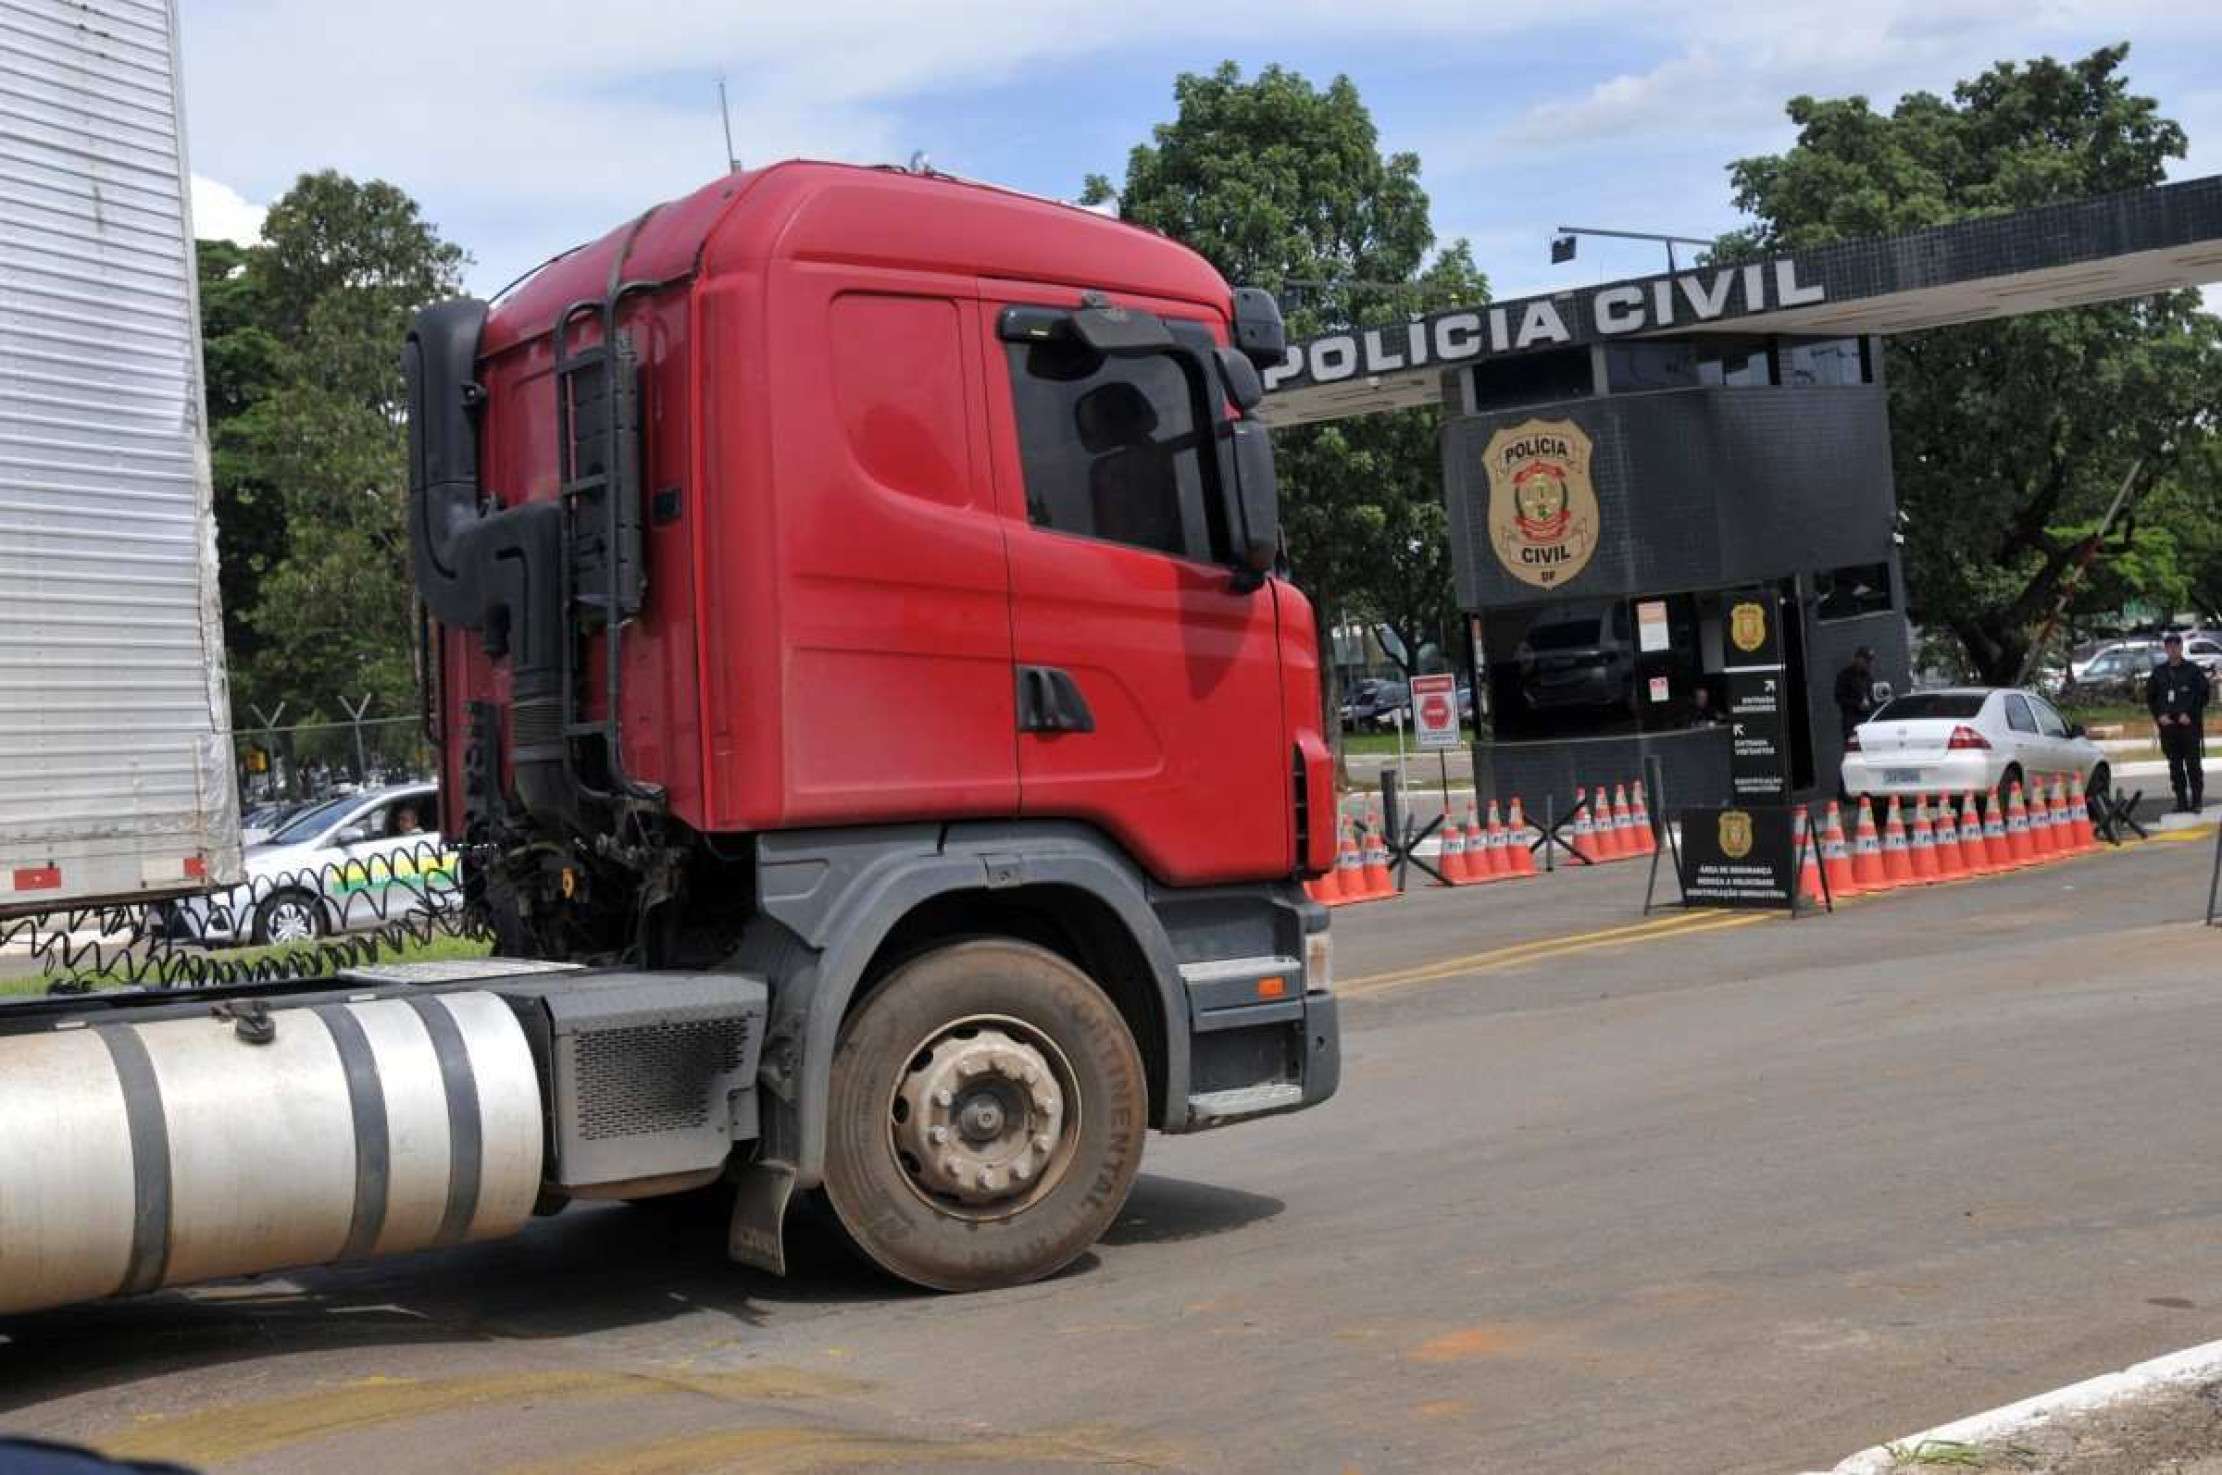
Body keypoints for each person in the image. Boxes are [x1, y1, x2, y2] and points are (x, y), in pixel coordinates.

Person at [2146, 633, 2209, 812]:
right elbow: (2151, 698)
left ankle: (2196, 801)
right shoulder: (2159, 673)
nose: (2172, 650)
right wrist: (2160, 716)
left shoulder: (2193, 670)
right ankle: (2181, 801)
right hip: (2168, 727)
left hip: (2188, 725)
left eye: (2176, 646)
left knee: (2193, 766)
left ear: (2181, 648)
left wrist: (2190, 714)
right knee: (2175, 766)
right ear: (2165, 649)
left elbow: (2203, 695)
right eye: (2169, 647)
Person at [1833, 647, 1877, 739]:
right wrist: (1857, 704)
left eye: (1870, 661)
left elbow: (1872, 696)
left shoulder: (1868, 677)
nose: (1869, 664)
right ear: (1857, 659)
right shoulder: (1844, 675)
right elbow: (1839, 697)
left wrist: (1872, 703)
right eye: (1866, 661)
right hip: (1852, 721)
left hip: (1867, 719)